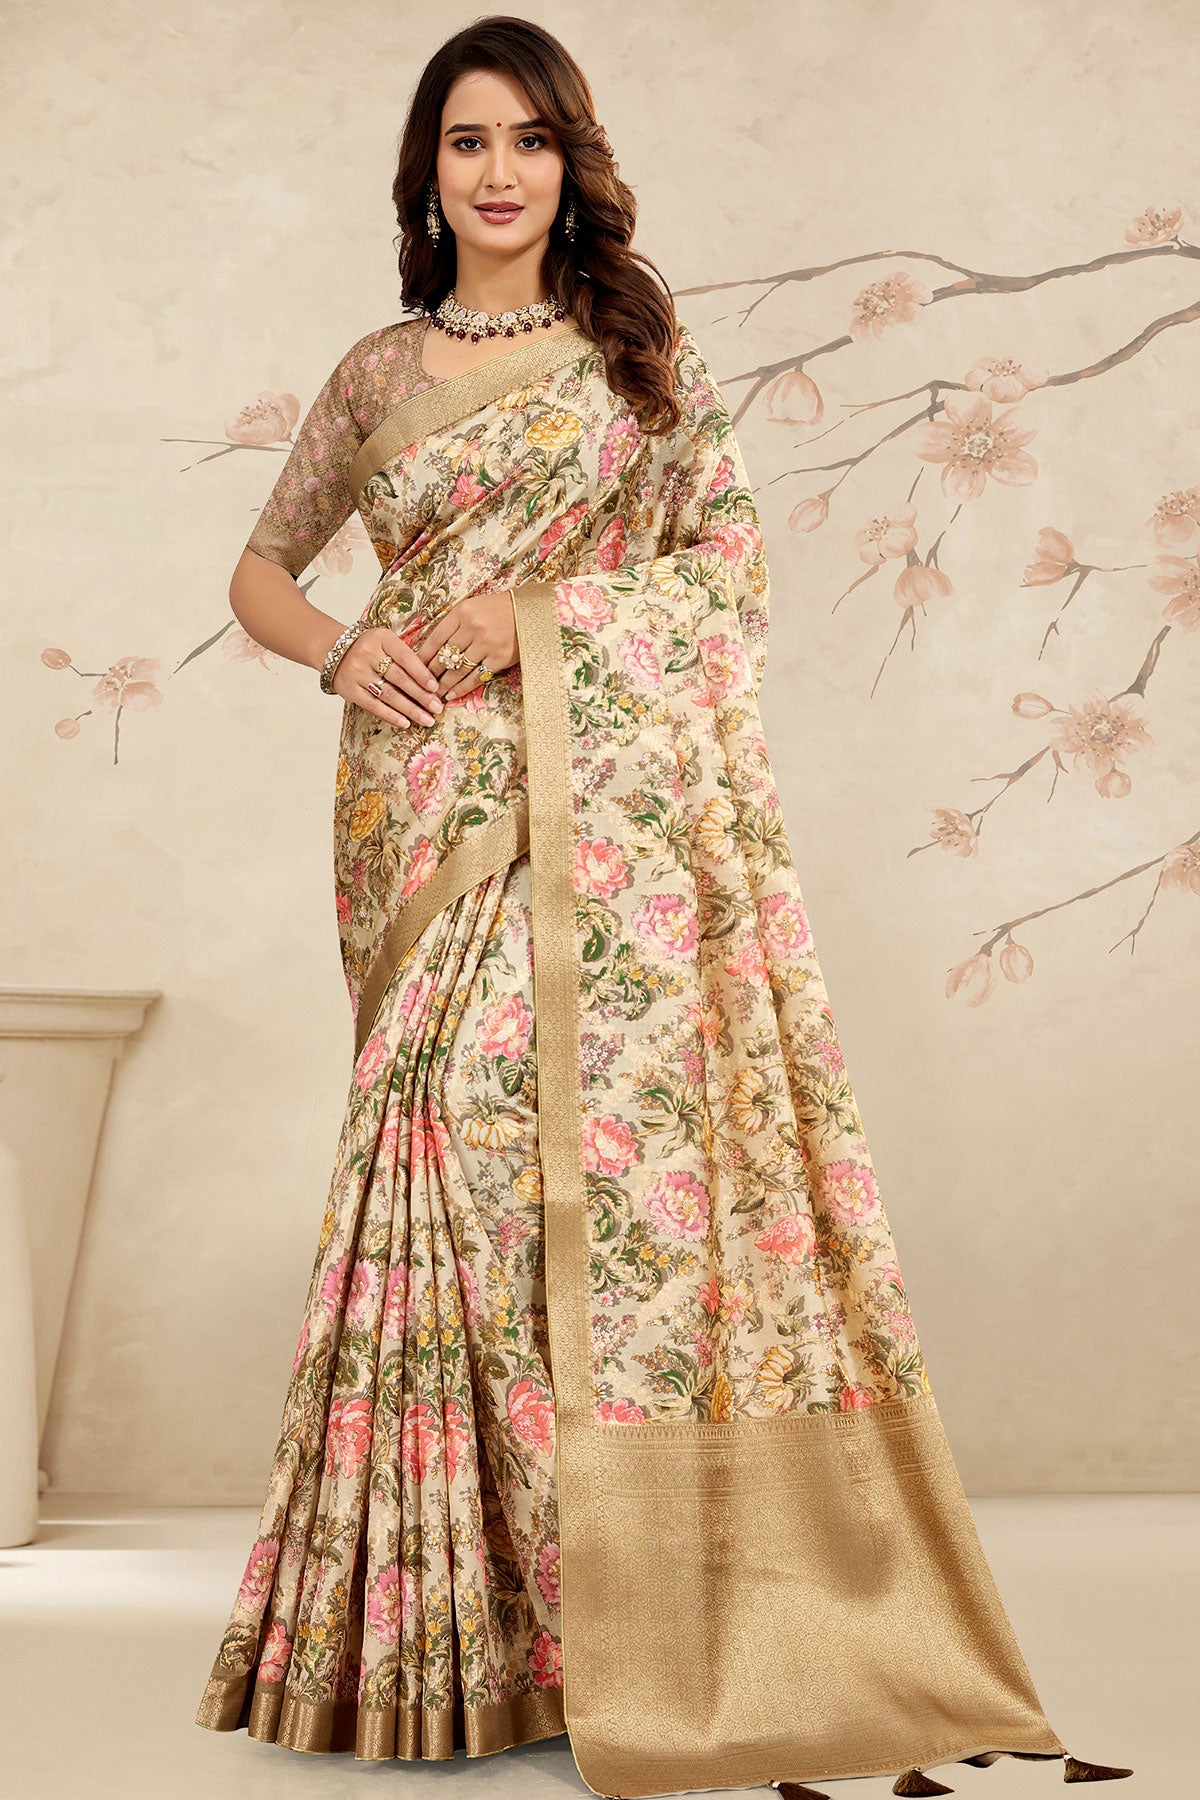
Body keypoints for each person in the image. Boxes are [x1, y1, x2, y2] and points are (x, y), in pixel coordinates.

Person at [194, 16, 1132, 1800]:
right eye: (466, 141)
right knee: (449, 1179)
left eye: (530, 140)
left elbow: (730, 574)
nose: (497, 171)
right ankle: (475, 1637)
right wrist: (351, 647)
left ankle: (637, 1621)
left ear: (572, 164)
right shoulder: (377, 376)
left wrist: (532, 621)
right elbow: (260, 563)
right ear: (426, 172)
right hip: (422, 810)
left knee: (584, 1183)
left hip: (596, 819)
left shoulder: (637, 354)